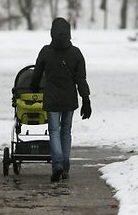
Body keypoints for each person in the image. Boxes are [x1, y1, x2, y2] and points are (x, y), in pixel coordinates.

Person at [30, 17, 91, 182]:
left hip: (52, 99)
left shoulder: (45, 52)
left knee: (54, 131)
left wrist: (34, 87)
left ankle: (57, 164)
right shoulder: (76, 53)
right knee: (66, 131)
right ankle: (65, 166)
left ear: (52, 33)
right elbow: (81, 79)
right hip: (69, 99)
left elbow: (36, 73)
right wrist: (86, 99)